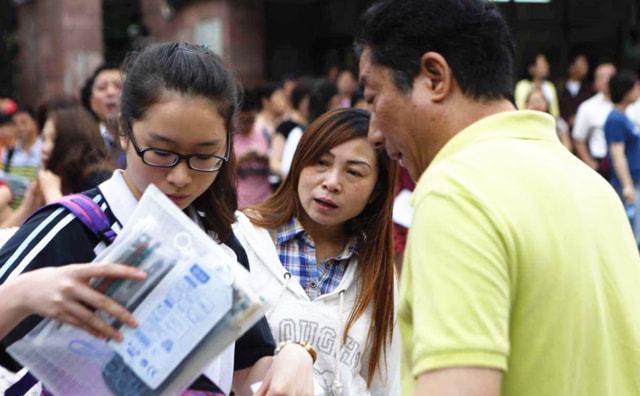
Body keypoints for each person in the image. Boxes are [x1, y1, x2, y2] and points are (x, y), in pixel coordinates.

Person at [356, 1, 640, 395]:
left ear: (435, 77)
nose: (373, 132)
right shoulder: (592, 187)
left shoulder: (456, 192)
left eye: (372, 98)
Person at [0, 42, 313, 396]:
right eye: (161, 152)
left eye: (204, 155)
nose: (180, 176)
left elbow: (245, 368)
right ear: (124, 130)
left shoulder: (219, 244)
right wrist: (20, 295)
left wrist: (295, 356)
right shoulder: (70, 229)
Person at [243, 108, 400, 395]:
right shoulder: (243, 240)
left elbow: (385, 384)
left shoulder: (378, 274)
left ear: (376, 190)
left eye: (353, 172)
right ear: (299, 164)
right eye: (321, 163)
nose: (331, 182)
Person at [38, 103, 113, 203]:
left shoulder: (97, 177)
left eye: (54, 139)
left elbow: (77, 218)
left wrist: (51, 191)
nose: (44, 148)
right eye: (43, 139)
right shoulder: (60, 177)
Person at [604, 70, 640, 245]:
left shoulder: (624, 117)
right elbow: (617, 155)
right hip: (628, 184)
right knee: (631, 236)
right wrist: (627, 185)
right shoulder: (615, 119)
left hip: (635, 181)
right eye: (635, 86)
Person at [281, 79, 340, 176]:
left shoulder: (341, 133)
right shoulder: (299, 133)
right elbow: (287, 168)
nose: (340, 108)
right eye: (336, 103)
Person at [572, 62, 617, 176]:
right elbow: (578, 139)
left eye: (610, 76)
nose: (606, 80)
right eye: (602, 77)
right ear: (595, 81)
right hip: (601, 165)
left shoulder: (632, 104)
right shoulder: (587, 107)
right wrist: (591, 165)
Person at [81, 63, 125, 168]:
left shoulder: (143, 138)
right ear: (91, 101)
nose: (111, 93)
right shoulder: (83, 143)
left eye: (119, 86)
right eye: (102, 88)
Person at [233, 88, 272, 209]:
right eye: (243, 120)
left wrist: (264, 158)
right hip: (238, 202)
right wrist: (242, 159)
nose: (247, 124)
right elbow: (222, 171)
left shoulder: (265, 132)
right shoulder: (229, 136)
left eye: (250, 120)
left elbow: (278, 163)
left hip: (265, 200)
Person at [514, 52, 560, 117]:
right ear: (531, 68)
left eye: (546, 63)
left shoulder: (550, 86)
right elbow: (519, 110)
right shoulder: (522, 85)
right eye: (542, 64)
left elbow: (555, 113)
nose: (546, 66)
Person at [558, 52, 594, 130]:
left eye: (586, 64)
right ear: (571, 67)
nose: (585, 67)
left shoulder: (590, 89)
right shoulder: (559, 88)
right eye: (582, 64)